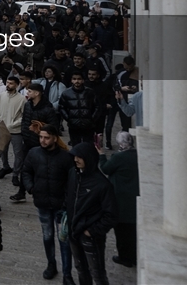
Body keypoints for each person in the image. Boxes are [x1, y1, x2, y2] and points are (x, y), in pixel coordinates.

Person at [22, 124, 74, 282]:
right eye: (41, 137)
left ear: (55, 138)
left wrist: (67, 200)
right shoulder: (33, 153)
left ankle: (67, 273)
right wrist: (31, 188)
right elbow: (26, 172)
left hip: (61, 206)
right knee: (47, 236)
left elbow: (72, 181)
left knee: (64, 240)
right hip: (42, 202)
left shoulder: (65, 157)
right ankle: (51, 264)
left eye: (46, 137)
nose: (42, 140)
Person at [65, 142, 118, 285]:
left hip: (91, 237)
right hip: (73, 231)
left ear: (88, 158)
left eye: (80, 157)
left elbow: (111, 215)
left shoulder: (102, 184)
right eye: (74, 156)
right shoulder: (73, 174)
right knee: (80, 268)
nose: (76, 159)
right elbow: (69, 197)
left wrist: (92, 231)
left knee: (97, 273)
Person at [101, 132, 139, 268]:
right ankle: (133, 256)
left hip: (120, 198)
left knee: (121, 231)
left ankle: (125, 257)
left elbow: (105, 168)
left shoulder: (118, 157)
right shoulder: (136, 155)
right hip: (134, 198)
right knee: (132, 231)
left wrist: (101, 155)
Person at [0, 74, 25, 189]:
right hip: (2, 128)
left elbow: (24, 116)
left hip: (16, 130)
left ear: (17, 85)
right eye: (7, 83)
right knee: (2, 150)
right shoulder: (2, 95)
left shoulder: (22, 99)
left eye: (11, 83)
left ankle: (15, 174)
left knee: (18, 153)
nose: (8, 85)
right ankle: (5, 167)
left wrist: (13, 124)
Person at [59, 72, 98, 146]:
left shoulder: (90, 92)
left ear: (83, 80)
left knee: (88, 146)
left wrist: (92, 118)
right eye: (74, 79)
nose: (77, 81)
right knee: (75, 146)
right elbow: (61, 108)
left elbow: (97, 106)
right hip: (73, 124)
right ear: (71, 80)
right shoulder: (66, 93)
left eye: (79, 79)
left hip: (88, 124)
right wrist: (69, 118)